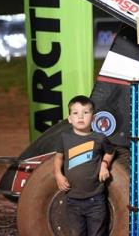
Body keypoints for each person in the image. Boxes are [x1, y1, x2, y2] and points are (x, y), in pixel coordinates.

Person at [54, 95, 115, 236]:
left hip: (96, 200)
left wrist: (104, 165)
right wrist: (58, 174)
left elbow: (110, 152)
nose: (80, 117)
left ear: (93, 118)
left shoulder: (99, 138)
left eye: (85, 113)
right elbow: (58, 158)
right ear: (69, 119)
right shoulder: (64, 138)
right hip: (72, 199)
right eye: (75, 113)